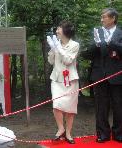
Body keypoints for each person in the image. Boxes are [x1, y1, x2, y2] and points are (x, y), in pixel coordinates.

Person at [81, 8, 122, 143]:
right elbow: (86, 54)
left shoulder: (120, 33)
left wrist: (112, 43)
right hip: (99, 75)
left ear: (113, 18)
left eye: (104, 17)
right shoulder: (97, 33)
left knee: (118, 106)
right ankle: (103, 134)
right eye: (101, 17)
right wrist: (97, 44)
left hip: (117, 76)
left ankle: (118, 134)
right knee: (101, 107)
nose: (101, 19)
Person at [47, 20, 79, 144]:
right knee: (57, 104)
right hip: (56, 78)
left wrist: (59, 48)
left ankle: (68, 133)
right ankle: (61, 128)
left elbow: (68, 61)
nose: (56, 31)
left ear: (66, 31)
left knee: (70, 108)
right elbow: (51, 61)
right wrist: (52, 49)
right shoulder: (56, 43)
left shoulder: (75, 45)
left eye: (59, 28)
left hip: (70, 80)